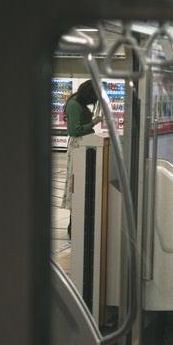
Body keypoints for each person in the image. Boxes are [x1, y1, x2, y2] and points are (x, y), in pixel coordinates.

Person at [60, 80, 103, 237]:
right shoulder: (74, 104)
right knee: (76, 184)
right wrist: (93, 122)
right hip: (78, 147)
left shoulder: (78, 103)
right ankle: (73, 226)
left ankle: (78, 224)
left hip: (84, 146)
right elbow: (74, 130)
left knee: (82, 184)